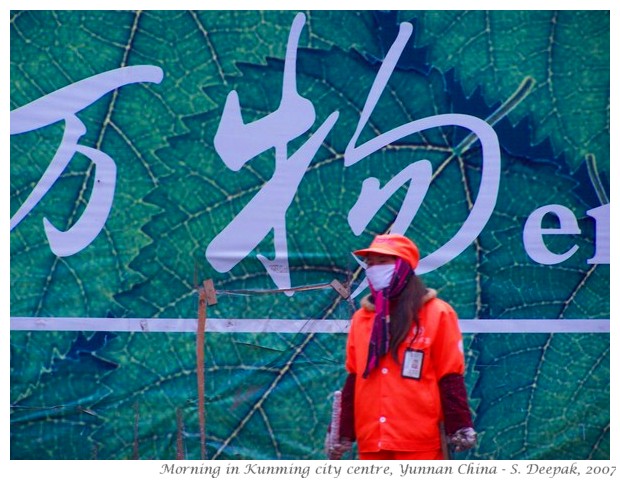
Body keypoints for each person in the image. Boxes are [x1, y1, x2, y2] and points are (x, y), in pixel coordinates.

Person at [326, 233, 477, 460]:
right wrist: (342, 432)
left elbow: (450, 375)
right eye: (370, 263)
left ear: (403, 267)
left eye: (383, 262)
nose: (375, 269)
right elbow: (354, 378)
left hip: (420, 441)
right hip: (372, 440)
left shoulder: (438, 313)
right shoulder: (362, 319)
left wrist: (459, 425)